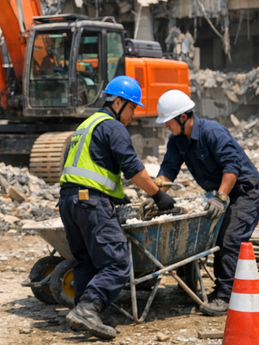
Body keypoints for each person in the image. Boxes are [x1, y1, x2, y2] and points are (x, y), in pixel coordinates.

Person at [60, 76, 175, 340]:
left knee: (87, 260)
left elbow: (90, 166)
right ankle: (88, 309)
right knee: (117, 263)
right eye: (133, 107)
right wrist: (159, 196)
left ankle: (84, 311)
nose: (133, 115)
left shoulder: (86, 125)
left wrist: (116, 195)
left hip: (69, 200)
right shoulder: (112, 127)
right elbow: (133, 168)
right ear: (119, 102)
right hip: (91, 203)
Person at [155, 89, 259, 316]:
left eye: (168, 121)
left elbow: (231, 169)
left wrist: (221, 197)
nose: (166, 126)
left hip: (245, 192)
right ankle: (202, 288)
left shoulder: (212, 132)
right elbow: (168, 170)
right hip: (222, 194)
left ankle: (226, 296)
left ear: (182, 117)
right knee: (195, 234)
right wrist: (156, 194)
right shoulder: (177, 141)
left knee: (228, 239)